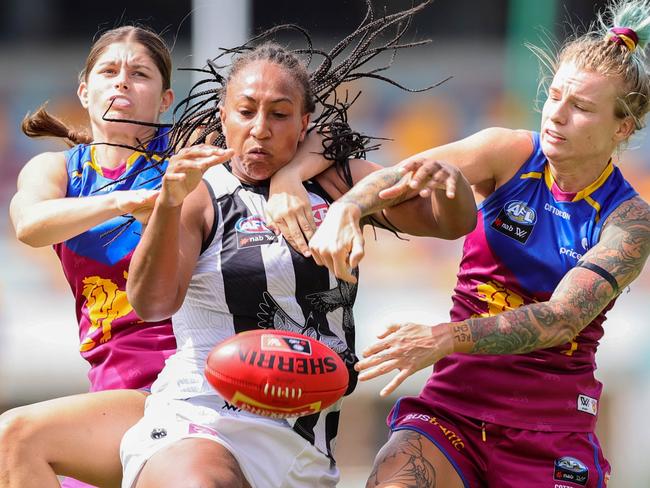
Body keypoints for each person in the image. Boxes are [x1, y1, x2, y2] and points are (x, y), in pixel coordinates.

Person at [121, 15, 477, 488]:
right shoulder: (200, 193)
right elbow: (152, 304)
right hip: (200, 417)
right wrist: (168, 203)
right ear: (223, 117)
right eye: (245, 112)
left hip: (302, 440)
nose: (260, 129)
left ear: (305, 122)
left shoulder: (338, 182)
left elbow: (450, 222)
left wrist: (449, 183)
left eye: (279, 114)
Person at [310, 1, 650, 486]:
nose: (557, 115)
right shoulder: (508, 151)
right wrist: (348, 208)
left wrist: (443, 338)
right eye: (554, 97)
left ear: (622, 127)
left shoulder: (631, 220)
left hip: (550, 432)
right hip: (453, 412)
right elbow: (399, 176)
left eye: (581, 108)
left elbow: (561, 319)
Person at [1, 25, 179, 488]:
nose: (122, 81)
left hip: (183, 385)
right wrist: (121, 201)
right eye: (109, 70)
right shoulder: (55, 170)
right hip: (111, 392)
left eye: (140, 74)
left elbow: (304, 134)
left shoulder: (183, 164)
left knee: (13, 435)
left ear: (165, 99)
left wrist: (285, 184)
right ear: (84, 90)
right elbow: (29, 225)